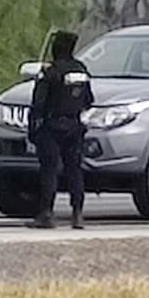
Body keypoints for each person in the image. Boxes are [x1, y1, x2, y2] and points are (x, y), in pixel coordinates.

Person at [28, 31, 94, 229]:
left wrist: (33, 128)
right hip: (75, 125)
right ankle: (78, 214)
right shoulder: (81, 70)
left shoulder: (51, 72)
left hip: (52, 125)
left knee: (50, 169)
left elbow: (38, 103)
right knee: (74, 170)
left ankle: (46, 213)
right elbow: (89, 100)